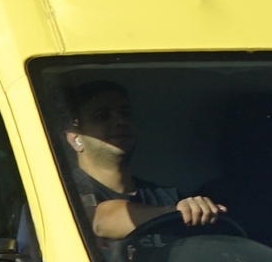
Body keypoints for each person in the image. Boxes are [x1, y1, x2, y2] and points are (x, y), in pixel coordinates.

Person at [63, 80, 224, 239]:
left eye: (125, 114)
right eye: (102, 116)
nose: (120, 121)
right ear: (76, 138)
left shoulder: (168, 197)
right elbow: (101, 220)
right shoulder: (65, 192)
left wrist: (195, 210)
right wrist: (176, 212)